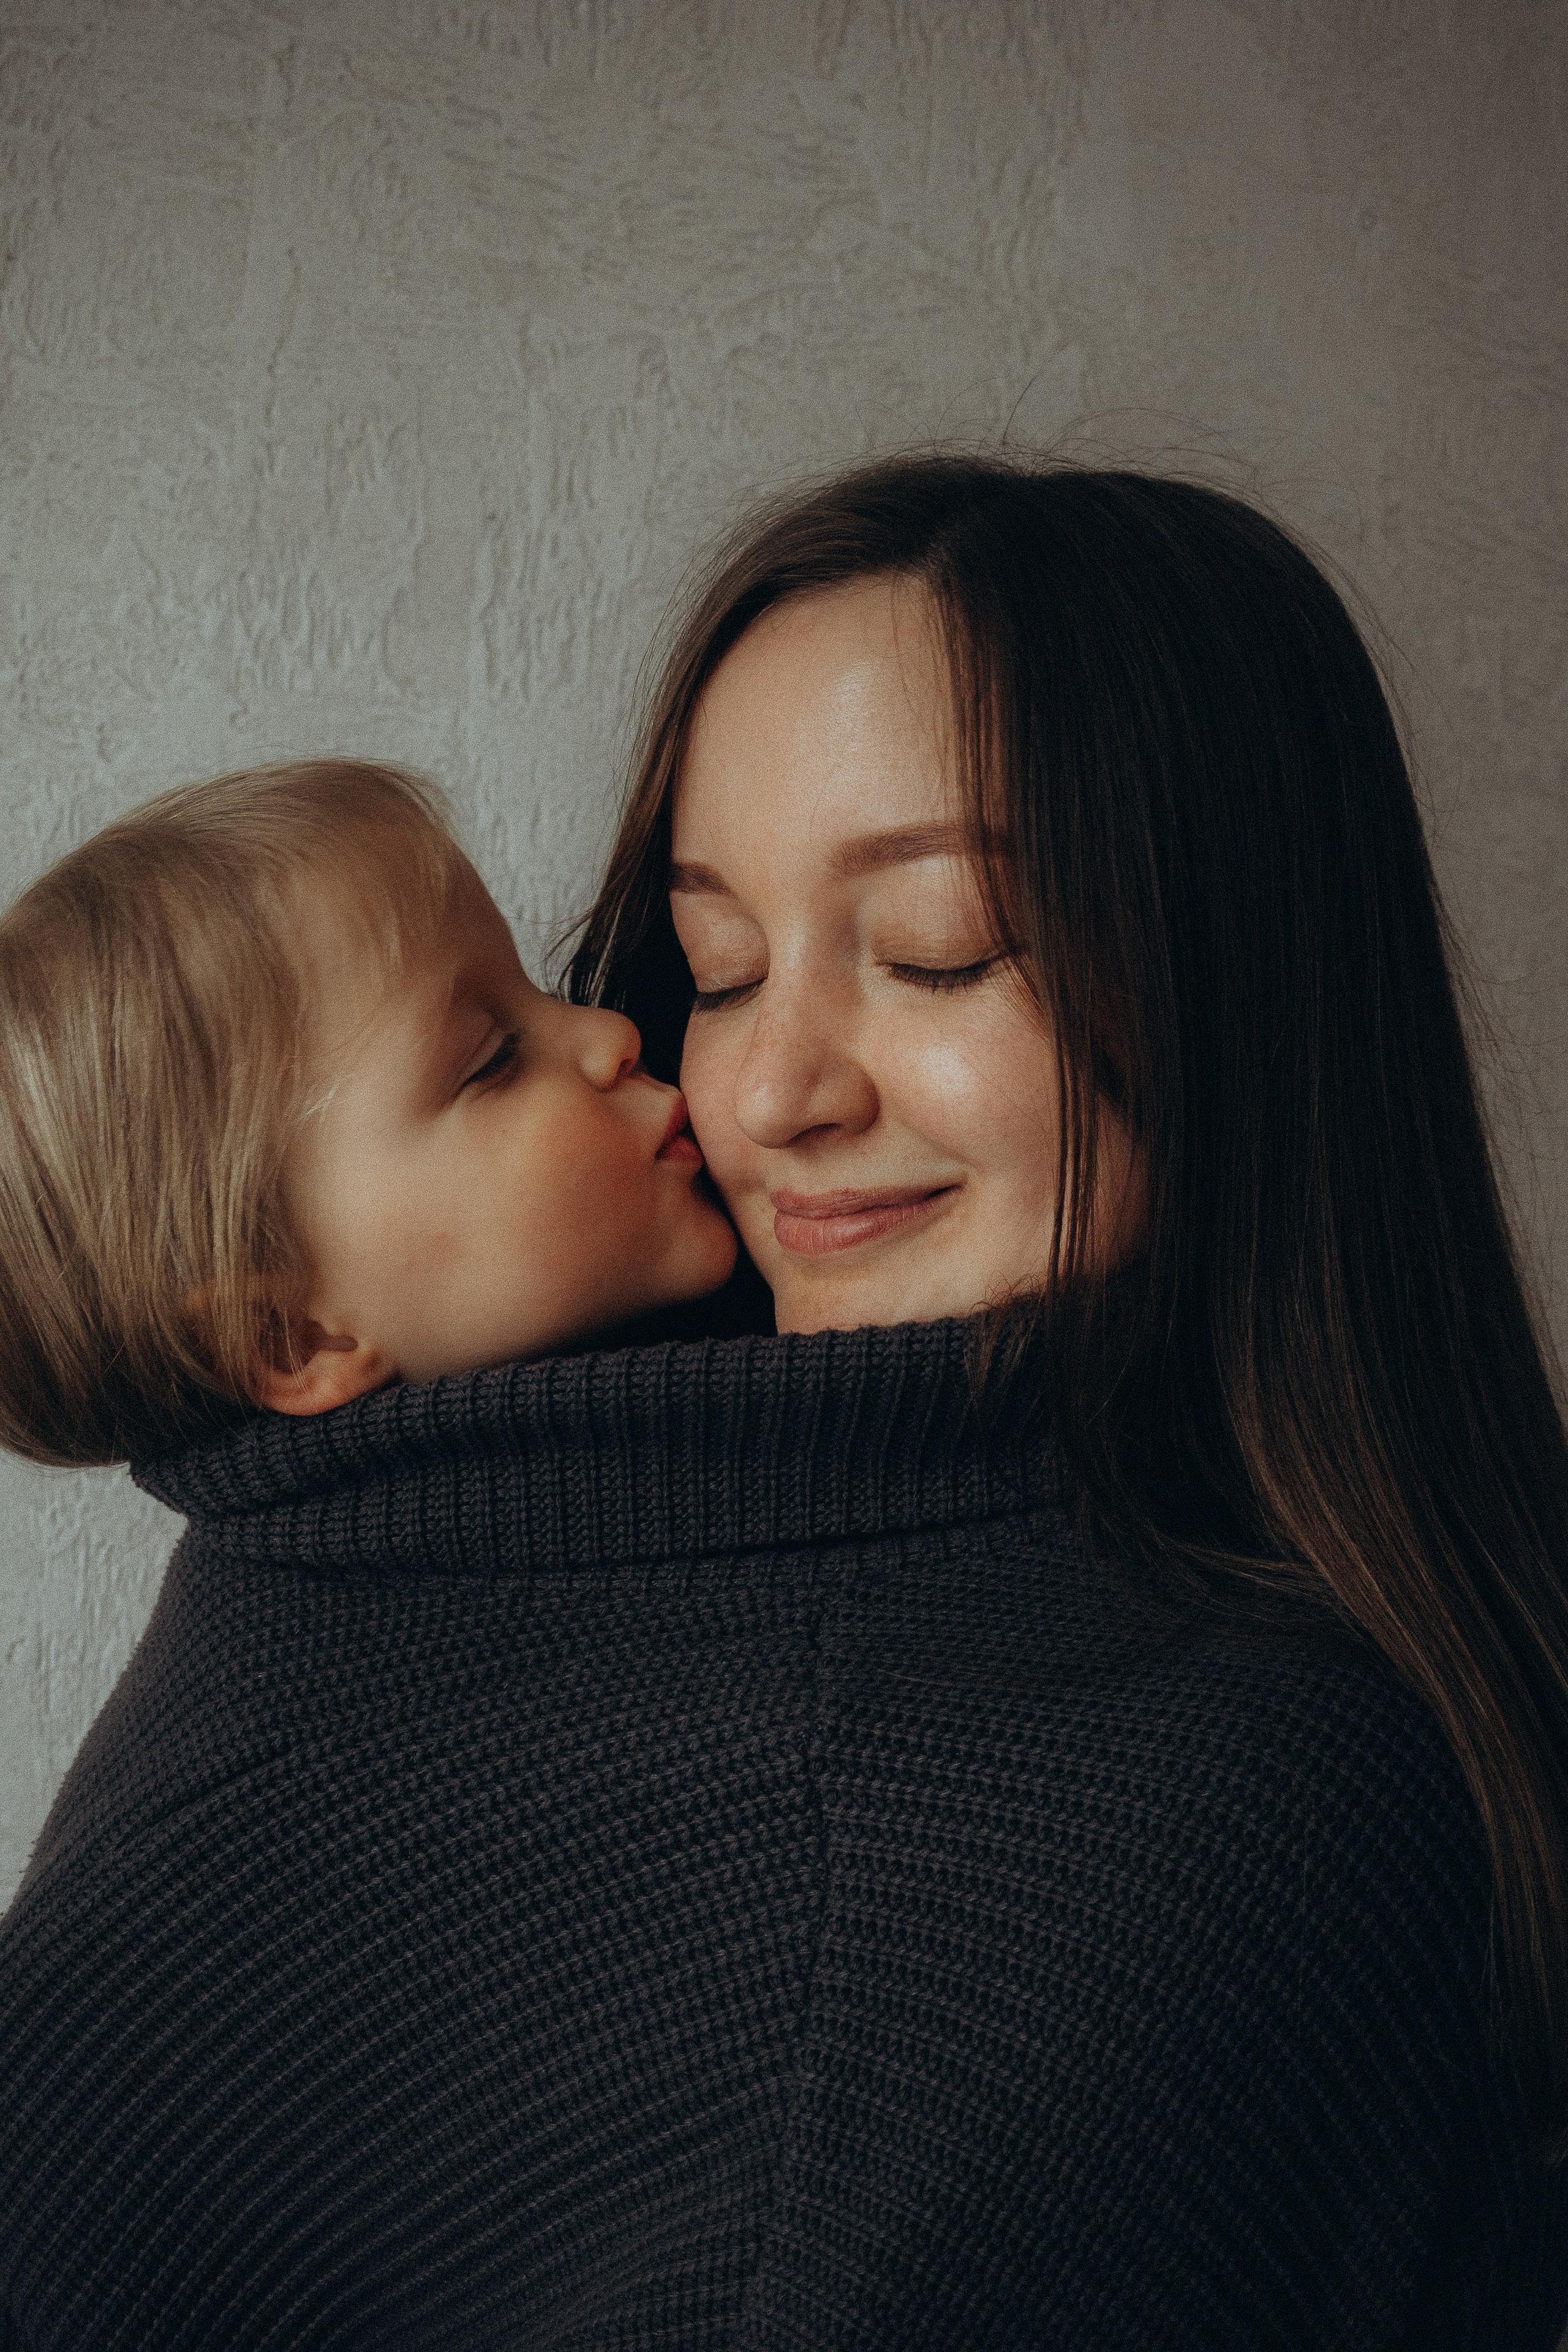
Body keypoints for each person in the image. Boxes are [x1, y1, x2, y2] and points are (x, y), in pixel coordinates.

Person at [1, 461, 1564, 2350]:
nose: (746, 1094)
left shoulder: (1248, 1776)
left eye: (933, 949)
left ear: (1249, 968)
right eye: (718, 964)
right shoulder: (375, 1611)